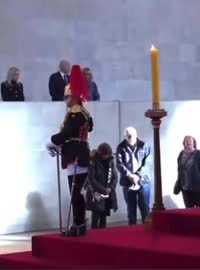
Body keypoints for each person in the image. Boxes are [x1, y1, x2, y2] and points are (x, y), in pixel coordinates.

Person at [45, 64, 93, 237]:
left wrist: (51, 142)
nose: (65, 101)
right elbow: (89, 128)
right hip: (78, 152)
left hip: (76, 155)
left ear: (73, 97)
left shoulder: (75, 114)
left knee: (76, 193)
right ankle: (78, 224)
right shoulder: (84, 113)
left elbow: (66, 134)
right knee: (76, 193)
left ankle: (78, 224)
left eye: (67, 97)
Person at [116, 127, 152, 225]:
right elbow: (119, 164)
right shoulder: (121, 147)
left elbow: (148, 163)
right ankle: (132, 234)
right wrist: (130, 176)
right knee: (131, 211)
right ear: (125, 136)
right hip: (128, 183)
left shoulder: (144, 146)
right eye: (128, 135)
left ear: (136, 134)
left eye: (132, 134)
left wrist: (137, 175)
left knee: (145, 209)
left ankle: (147, 232)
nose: (130, 136)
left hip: (143, 182)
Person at [85, 143, 118, 229]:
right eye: (104, 155)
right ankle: (94, 237)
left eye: (107, 155)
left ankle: (103, 236)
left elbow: (115, 176)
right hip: (96, 193)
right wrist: (103, 190)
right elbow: (91, 179)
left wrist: (110, 188)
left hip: (108, 192)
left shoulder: (111, 161)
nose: (105, 156)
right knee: (95, 216)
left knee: (104, 217)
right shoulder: (93, 161)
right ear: (100, 153)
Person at [174, 136, 200, 208]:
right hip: (185, 186)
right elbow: (179, 170)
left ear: (193, 143)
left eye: (190, 140)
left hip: (197, 186)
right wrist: (179, 182)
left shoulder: (199, 153)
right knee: (188, 208)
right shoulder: (181, 154)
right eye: (186, 141)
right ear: (184, 143)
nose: (188, 142)